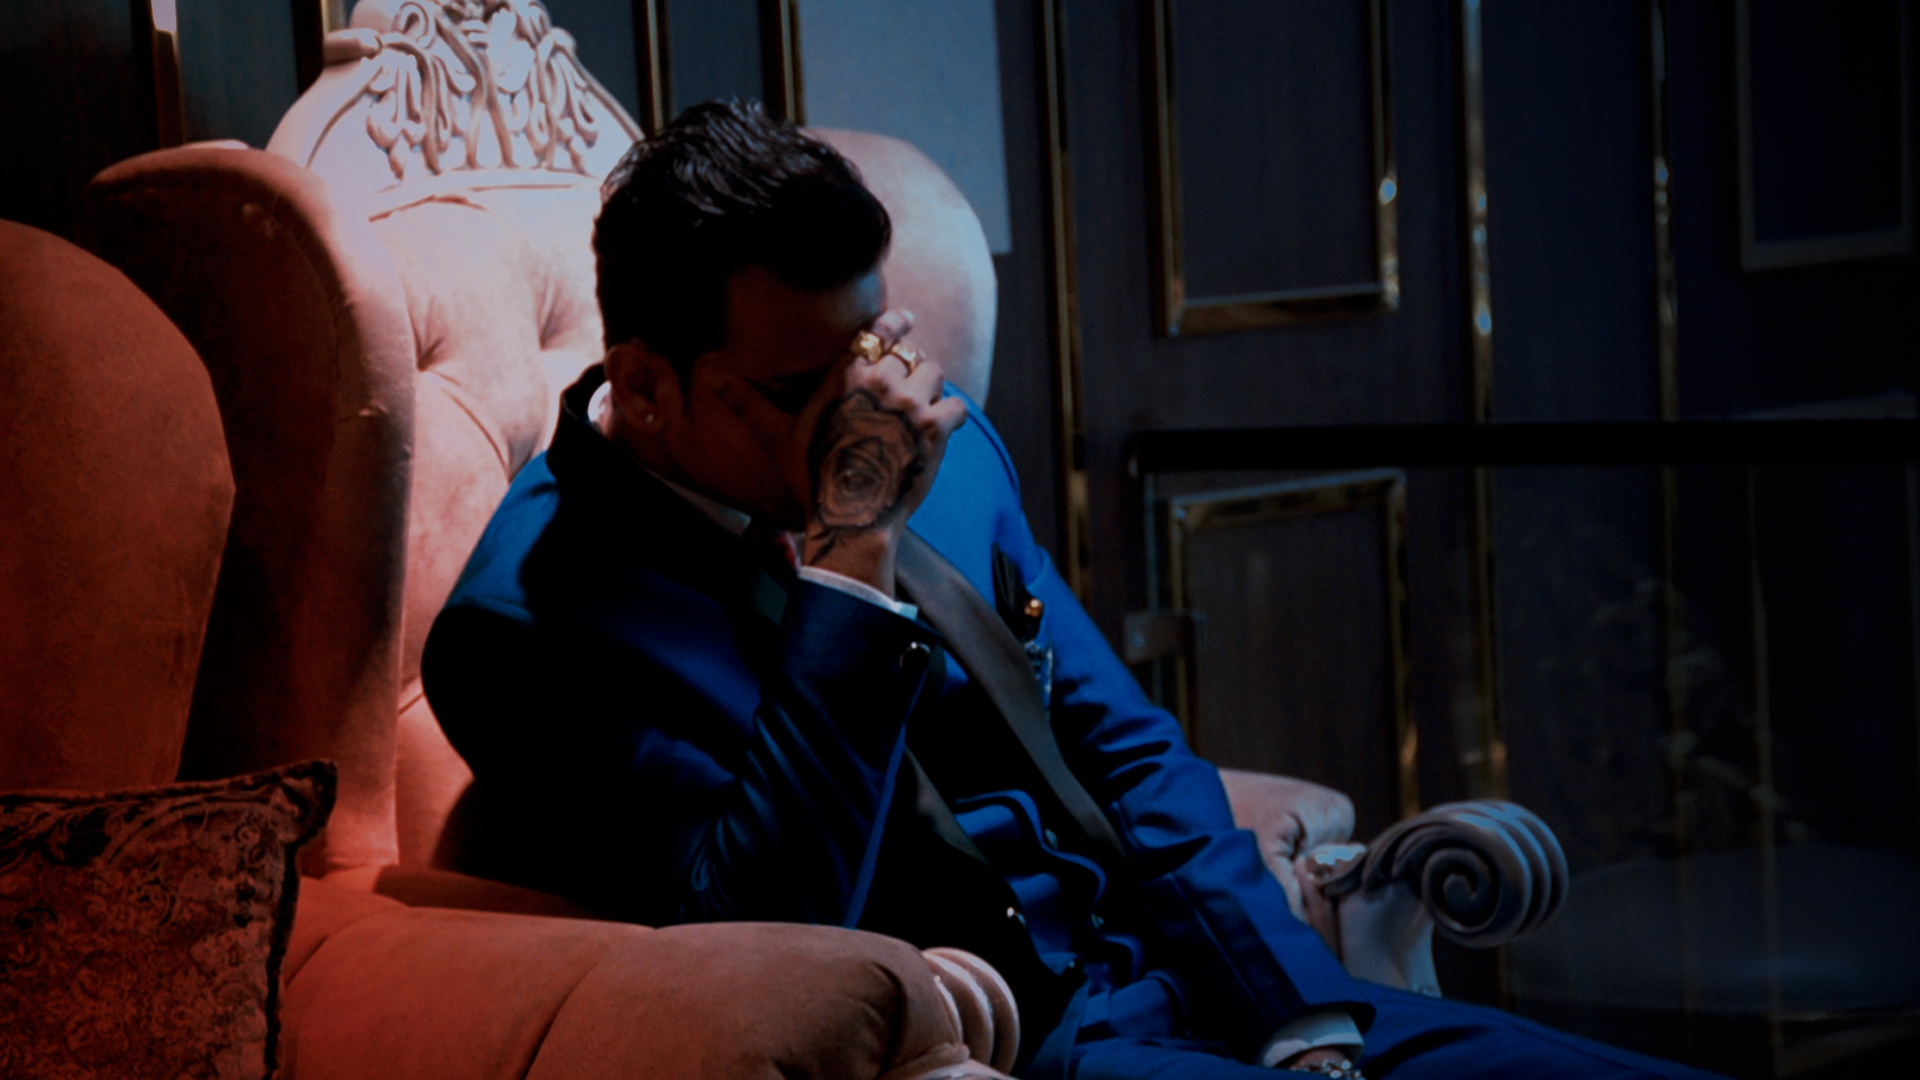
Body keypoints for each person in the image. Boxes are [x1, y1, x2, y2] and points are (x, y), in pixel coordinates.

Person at [422, 100, 1720, 1080]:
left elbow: (1130, 753)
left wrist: (1304, 1025)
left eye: (873, 341)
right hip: (1007, 1043)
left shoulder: (949, 449)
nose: (869, 403)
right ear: (647, 387)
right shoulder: (519, 635)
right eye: (800, 386)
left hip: (1214, 988)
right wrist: (852, 566)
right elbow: (762, 934)